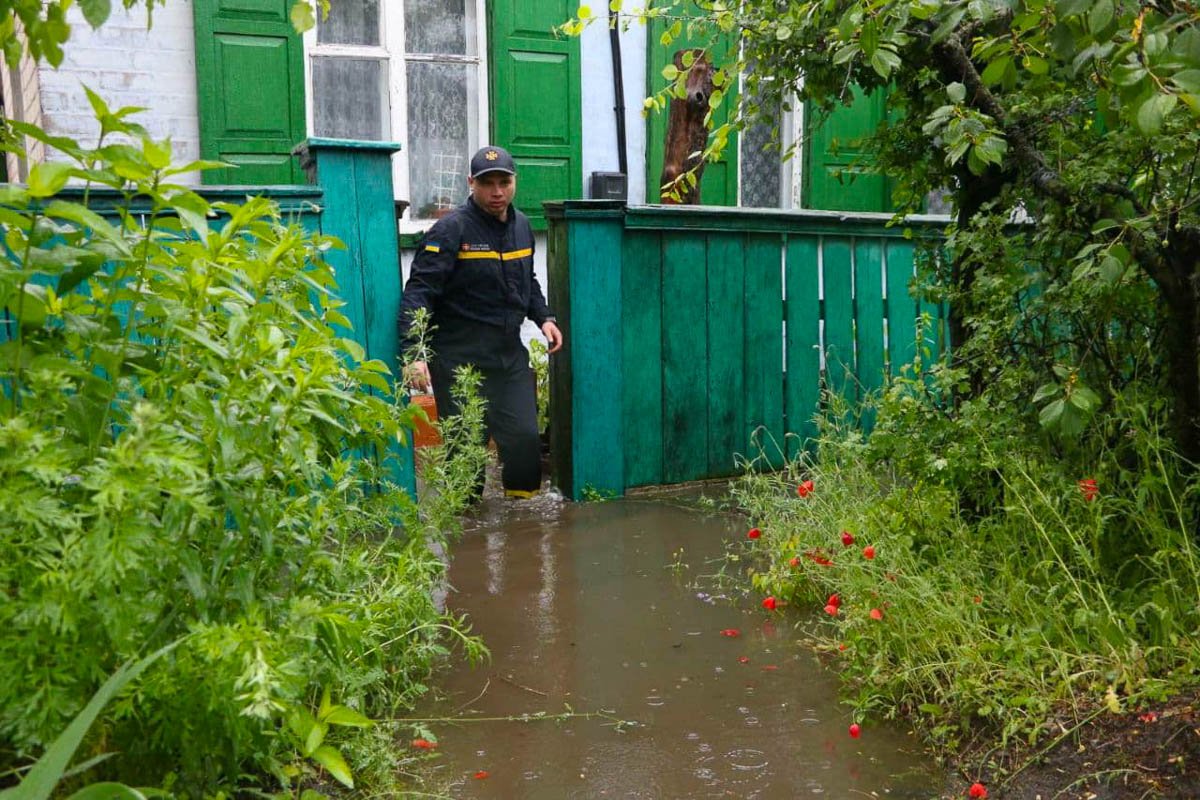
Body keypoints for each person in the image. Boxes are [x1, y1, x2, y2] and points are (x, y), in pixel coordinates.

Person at [398, 145, 563, 498]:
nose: (497, 192)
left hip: (507, 357)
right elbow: (419, 293)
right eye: (488, 183)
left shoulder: (521, 226)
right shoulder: (451, 230)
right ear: (472, 183)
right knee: (467, 461)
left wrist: (544, 317)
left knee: (524, 445)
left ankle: (524, 534)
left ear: (514, 182)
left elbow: (527, 281)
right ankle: (465, 529)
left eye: (504, 182)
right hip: (459, 362)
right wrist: (414, 352)